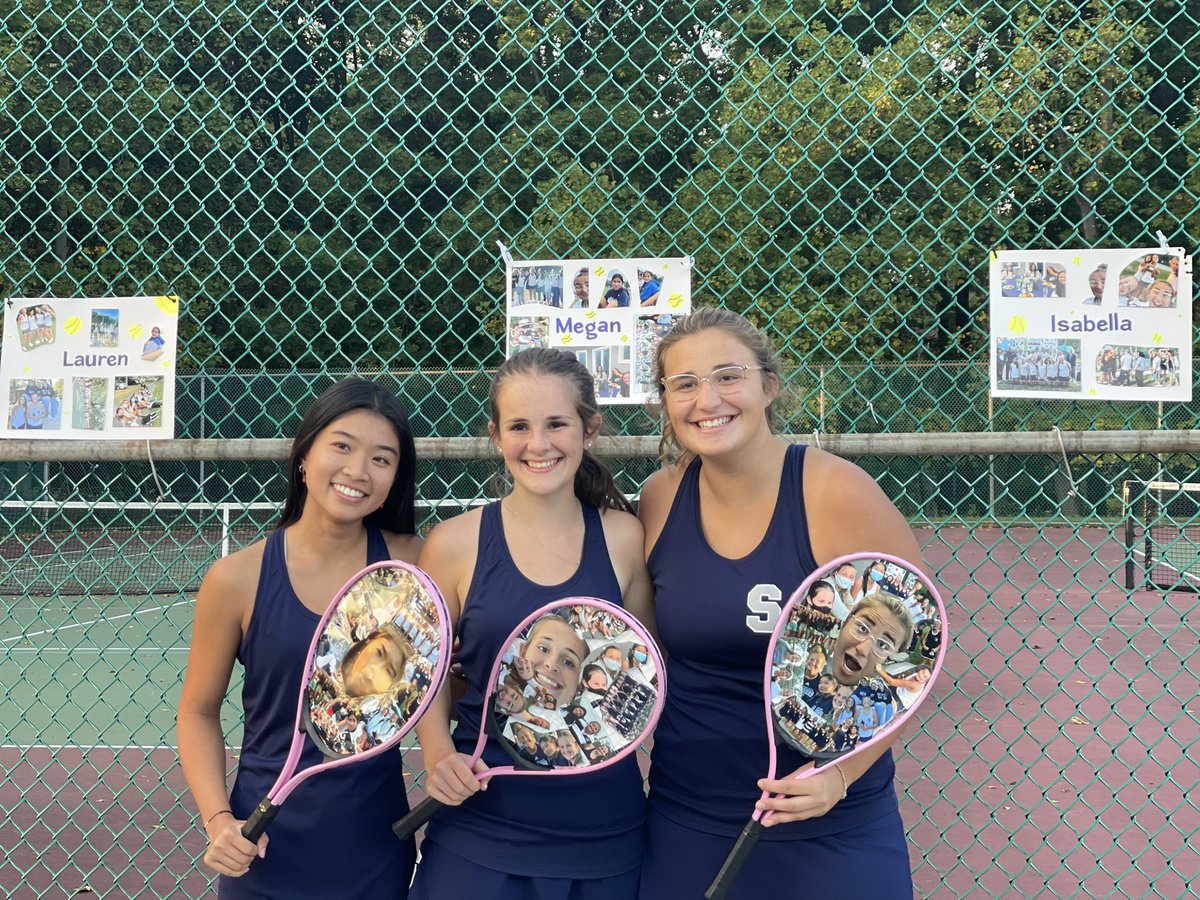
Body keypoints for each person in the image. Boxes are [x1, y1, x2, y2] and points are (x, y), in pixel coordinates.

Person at [637, 308, 925, 899]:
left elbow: (918, 659)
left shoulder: (836, 493)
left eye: (727, 376)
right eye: (684, 384)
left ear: (768, 385)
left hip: (828, 823)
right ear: (665, 402)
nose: (707, 399)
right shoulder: (659, 498)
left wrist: (839, 777)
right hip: (688, 817)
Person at [410, 347, 653, 899]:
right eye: (519, 426)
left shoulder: (625, 537)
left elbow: (643, 675)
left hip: (605, 835)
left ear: (589, 430)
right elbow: (429, 676)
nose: (538, 444)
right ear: (495, 435)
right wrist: (439, 753)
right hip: (480, 827)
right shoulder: (453, 544)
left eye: (557, 424)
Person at [177, 377, 422, 898]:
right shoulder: (236, 579)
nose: (357, 471)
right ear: (304, 457)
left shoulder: (414, 565)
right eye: (341, 446)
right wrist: (219, 819)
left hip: (374, 848)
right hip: (261, 851)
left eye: (382, 459)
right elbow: (197, 711)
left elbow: (445, 684)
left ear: (395, 478)